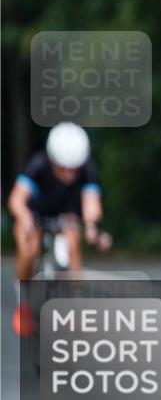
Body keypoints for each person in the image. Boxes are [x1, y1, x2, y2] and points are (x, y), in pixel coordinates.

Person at [8, 122, 109, 336]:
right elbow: (17, 200)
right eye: (63, 167)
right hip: (34, 215)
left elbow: (91, 203)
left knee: (73, 241)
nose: (69, 173)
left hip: (65, 216)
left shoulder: (87, 169)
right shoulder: (38, 164)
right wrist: (25, 218)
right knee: (29, 249)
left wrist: (92, 229)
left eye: (74, 168)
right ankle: (23, 300)